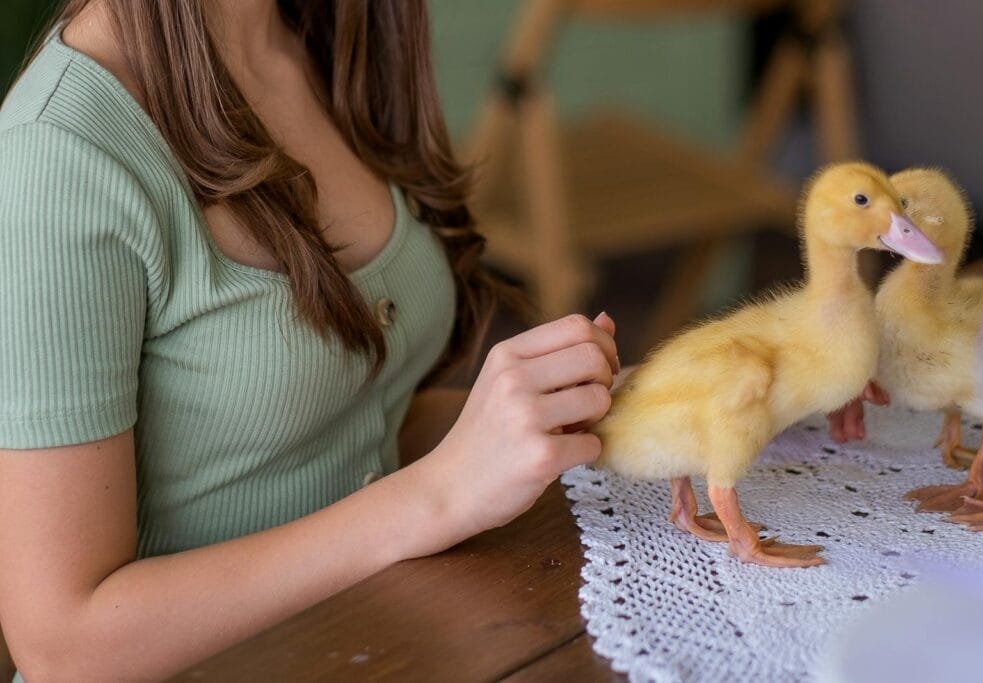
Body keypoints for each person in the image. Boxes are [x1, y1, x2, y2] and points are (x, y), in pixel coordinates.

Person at [0, 1, 618, 679]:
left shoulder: (320, 38)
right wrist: (436, 494)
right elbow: (65, 643)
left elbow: (332, 427)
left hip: (371, 640)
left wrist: (540, 416)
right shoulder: (55, 153)